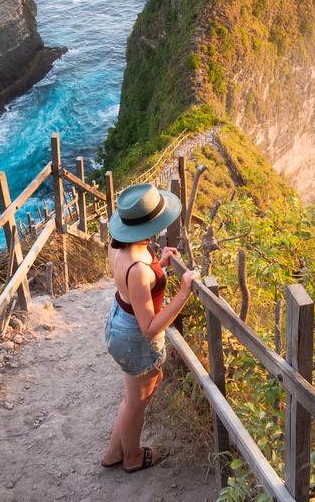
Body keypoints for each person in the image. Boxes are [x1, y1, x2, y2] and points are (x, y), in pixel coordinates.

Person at [101, 182, 199, 472]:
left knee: (133, 398)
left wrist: (162, 266)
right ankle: (131, 458)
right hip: (134, 336)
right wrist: (182, 292)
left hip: (119, 318)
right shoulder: (140, 269)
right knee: (137, 402)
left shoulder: (119, 248)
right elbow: (150, 326)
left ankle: (113, 453)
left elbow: (137, 289)